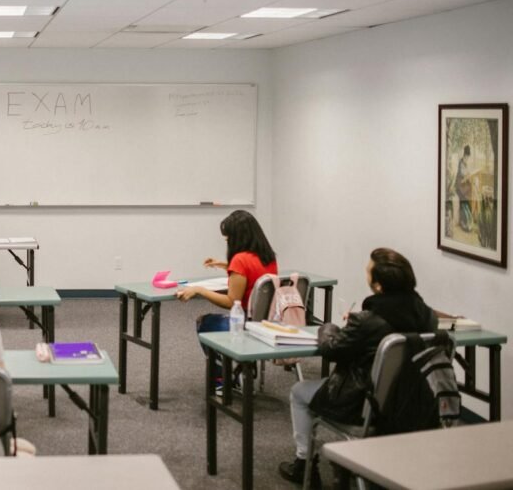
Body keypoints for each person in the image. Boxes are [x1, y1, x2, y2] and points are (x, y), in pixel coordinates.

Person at [277, 248, 438, 486]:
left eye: (368, 272)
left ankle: (304, 465)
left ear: (379, 286)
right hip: (413, 405)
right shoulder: (428, 317)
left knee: (299, 392)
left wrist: (328, 327)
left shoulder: (367, 321)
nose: (366, 275)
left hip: (363, 404)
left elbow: (331, 349)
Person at [178, 209, 279, 326]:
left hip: (246, 322)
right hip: (267, 320)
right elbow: (251, 272)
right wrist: (223, 265)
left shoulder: (240, 260)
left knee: (204, 322)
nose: (227, 242)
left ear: (237, 238)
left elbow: (231, 302)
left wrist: (199, 290)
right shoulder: (268, 256)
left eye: (228, 238)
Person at [456, 144, 474, 232]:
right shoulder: (461, 162)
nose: (467, 158)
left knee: (467, 202)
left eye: (468, 157)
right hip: (460, 186)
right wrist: (467, 176)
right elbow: (462, 176)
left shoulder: (465, 163)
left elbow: (467, 174)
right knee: (464, 203)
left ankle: (468, 223)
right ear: (464, 155)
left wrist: (468, 176)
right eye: (467, 156)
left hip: (464, 186)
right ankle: (466, 223)